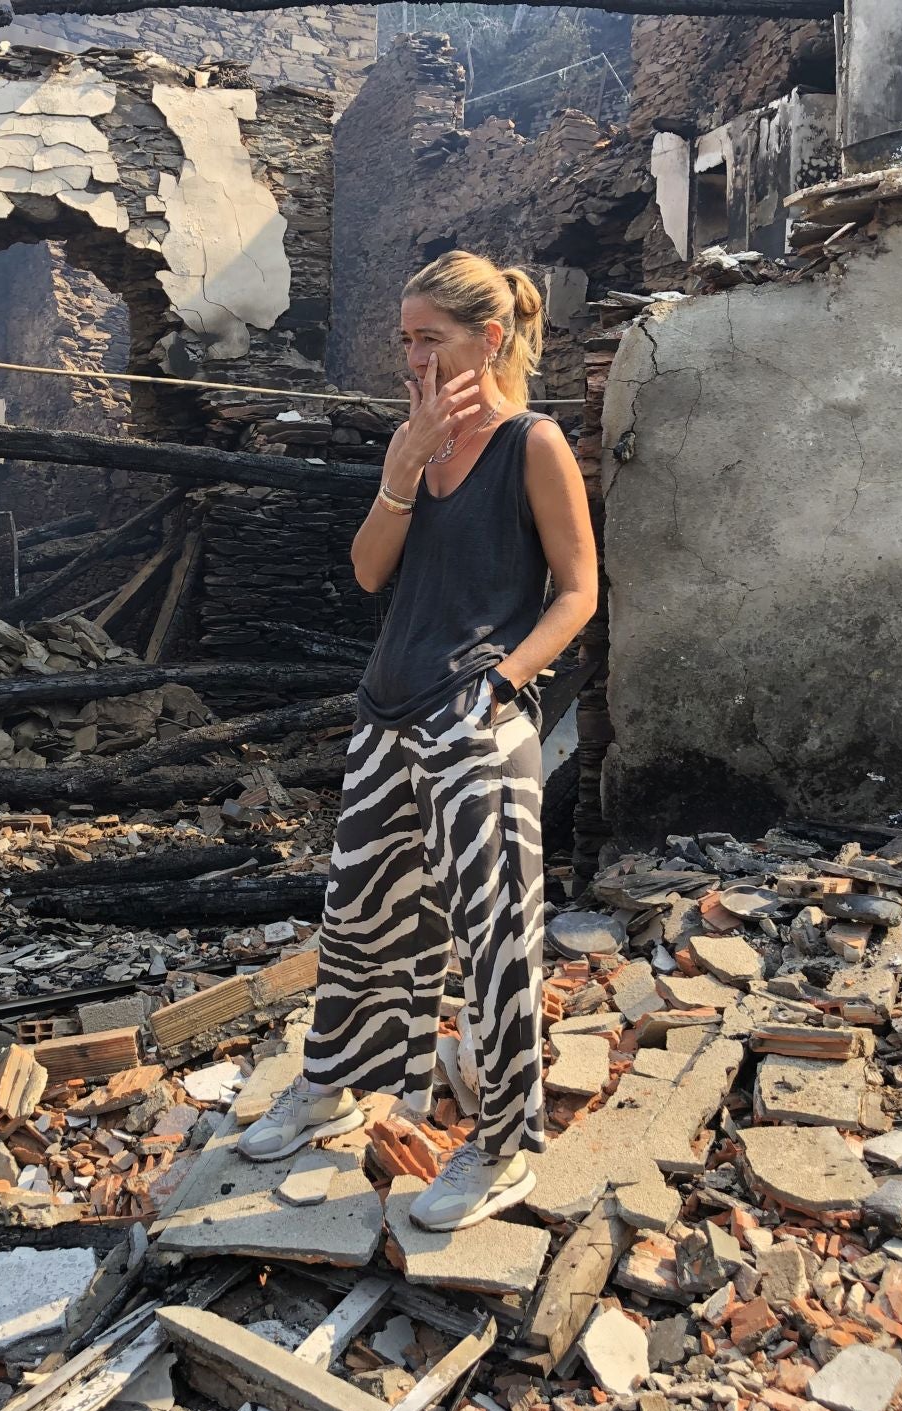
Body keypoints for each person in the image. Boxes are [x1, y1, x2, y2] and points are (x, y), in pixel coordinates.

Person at [239, 251, 598, 1232]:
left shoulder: (535, 444)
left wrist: (504, 682)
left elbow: (579, 592)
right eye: (404, 340)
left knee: (496, 945)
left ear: (487, 340)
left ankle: (506, 1147)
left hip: (475, 725)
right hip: (387, 714)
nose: (411, 357)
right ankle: (335, 1088)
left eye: (427, 339)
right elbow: (366, 573)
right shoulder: (418, 445)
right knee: (358, 923)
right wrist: (400, 472)